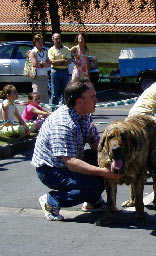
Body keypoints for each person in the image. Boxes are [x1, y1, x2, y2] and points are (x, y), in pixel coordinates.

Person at [32, 78, 121, 221]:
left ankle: (93, 202)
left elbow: (94, 141)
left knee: (103, 167)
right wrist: (104, 172)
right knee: (93, 184)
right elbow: (71, 163)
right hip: (52, 170)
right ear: (79, 101)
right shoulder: (63, 124)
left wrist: (110, 160)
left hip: (73, 159)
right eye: (93, 97)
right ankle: (52, 200)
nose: (96, 100)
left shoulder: (84, 114)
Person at [48, 33, 72, 106]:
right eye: (56, 39)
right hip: (55, 72)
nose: (58, 40)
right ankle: (54, 111)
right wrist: (63, 60)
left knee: (65, 93)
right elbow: (52, 62)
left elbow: (68, 61)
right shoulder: (51, 50)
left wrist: (58, 61)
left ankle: (64, 110)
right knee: (54, 94)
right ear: (53, 40)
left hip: (65, 72)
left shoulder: (66, 49)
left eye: (59, 38)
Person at [28, 34, 51, 104]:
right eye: (39, 42)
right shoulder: (32, 52)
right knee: (37, 95)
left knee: (44, 96)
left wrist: (42, 64)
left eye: (41, 42)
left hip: (44, 76)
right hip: (37, 77)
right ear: (35, 42)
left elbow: (49, 63)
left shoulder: (45, 52)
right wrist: (43, 64)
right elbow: (35, 64)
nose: (40, 43)